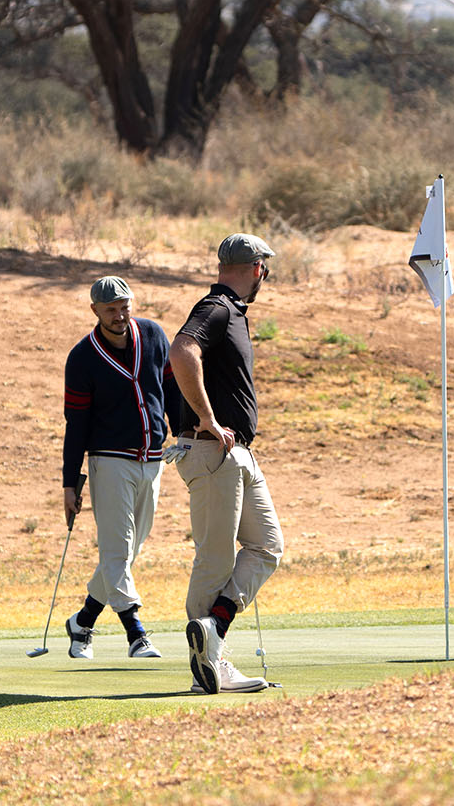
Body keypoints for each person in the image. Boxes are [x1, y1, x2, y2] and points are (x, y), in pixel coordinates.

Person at [168, 233, 283, 695]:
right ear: (256, 268)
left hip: (236, 454)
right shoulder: (216, 308)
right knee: (214, 560)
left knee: (267, 545)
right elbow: (181, 352)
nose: (264, 276)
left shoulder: (232, 311)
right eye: (264, 268)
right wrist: (208, 419)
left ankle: (213, 627)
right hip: (212, 449)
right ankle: (207, 670)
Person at [59, 276, 174, 660]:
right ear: (94, 311)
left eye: (124, 306)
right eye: (110, 309)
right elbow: (76, 424)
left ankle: (83, 621)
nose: (119, 315)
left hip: (153, 458)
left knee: (127, 550)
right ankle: (136, 632)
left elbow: (172, 390)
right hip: (109, 461)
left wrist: (187, 432)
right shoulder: (82, 357)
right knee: (116, 548)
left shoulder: (155, 336)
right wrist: (69, 483)